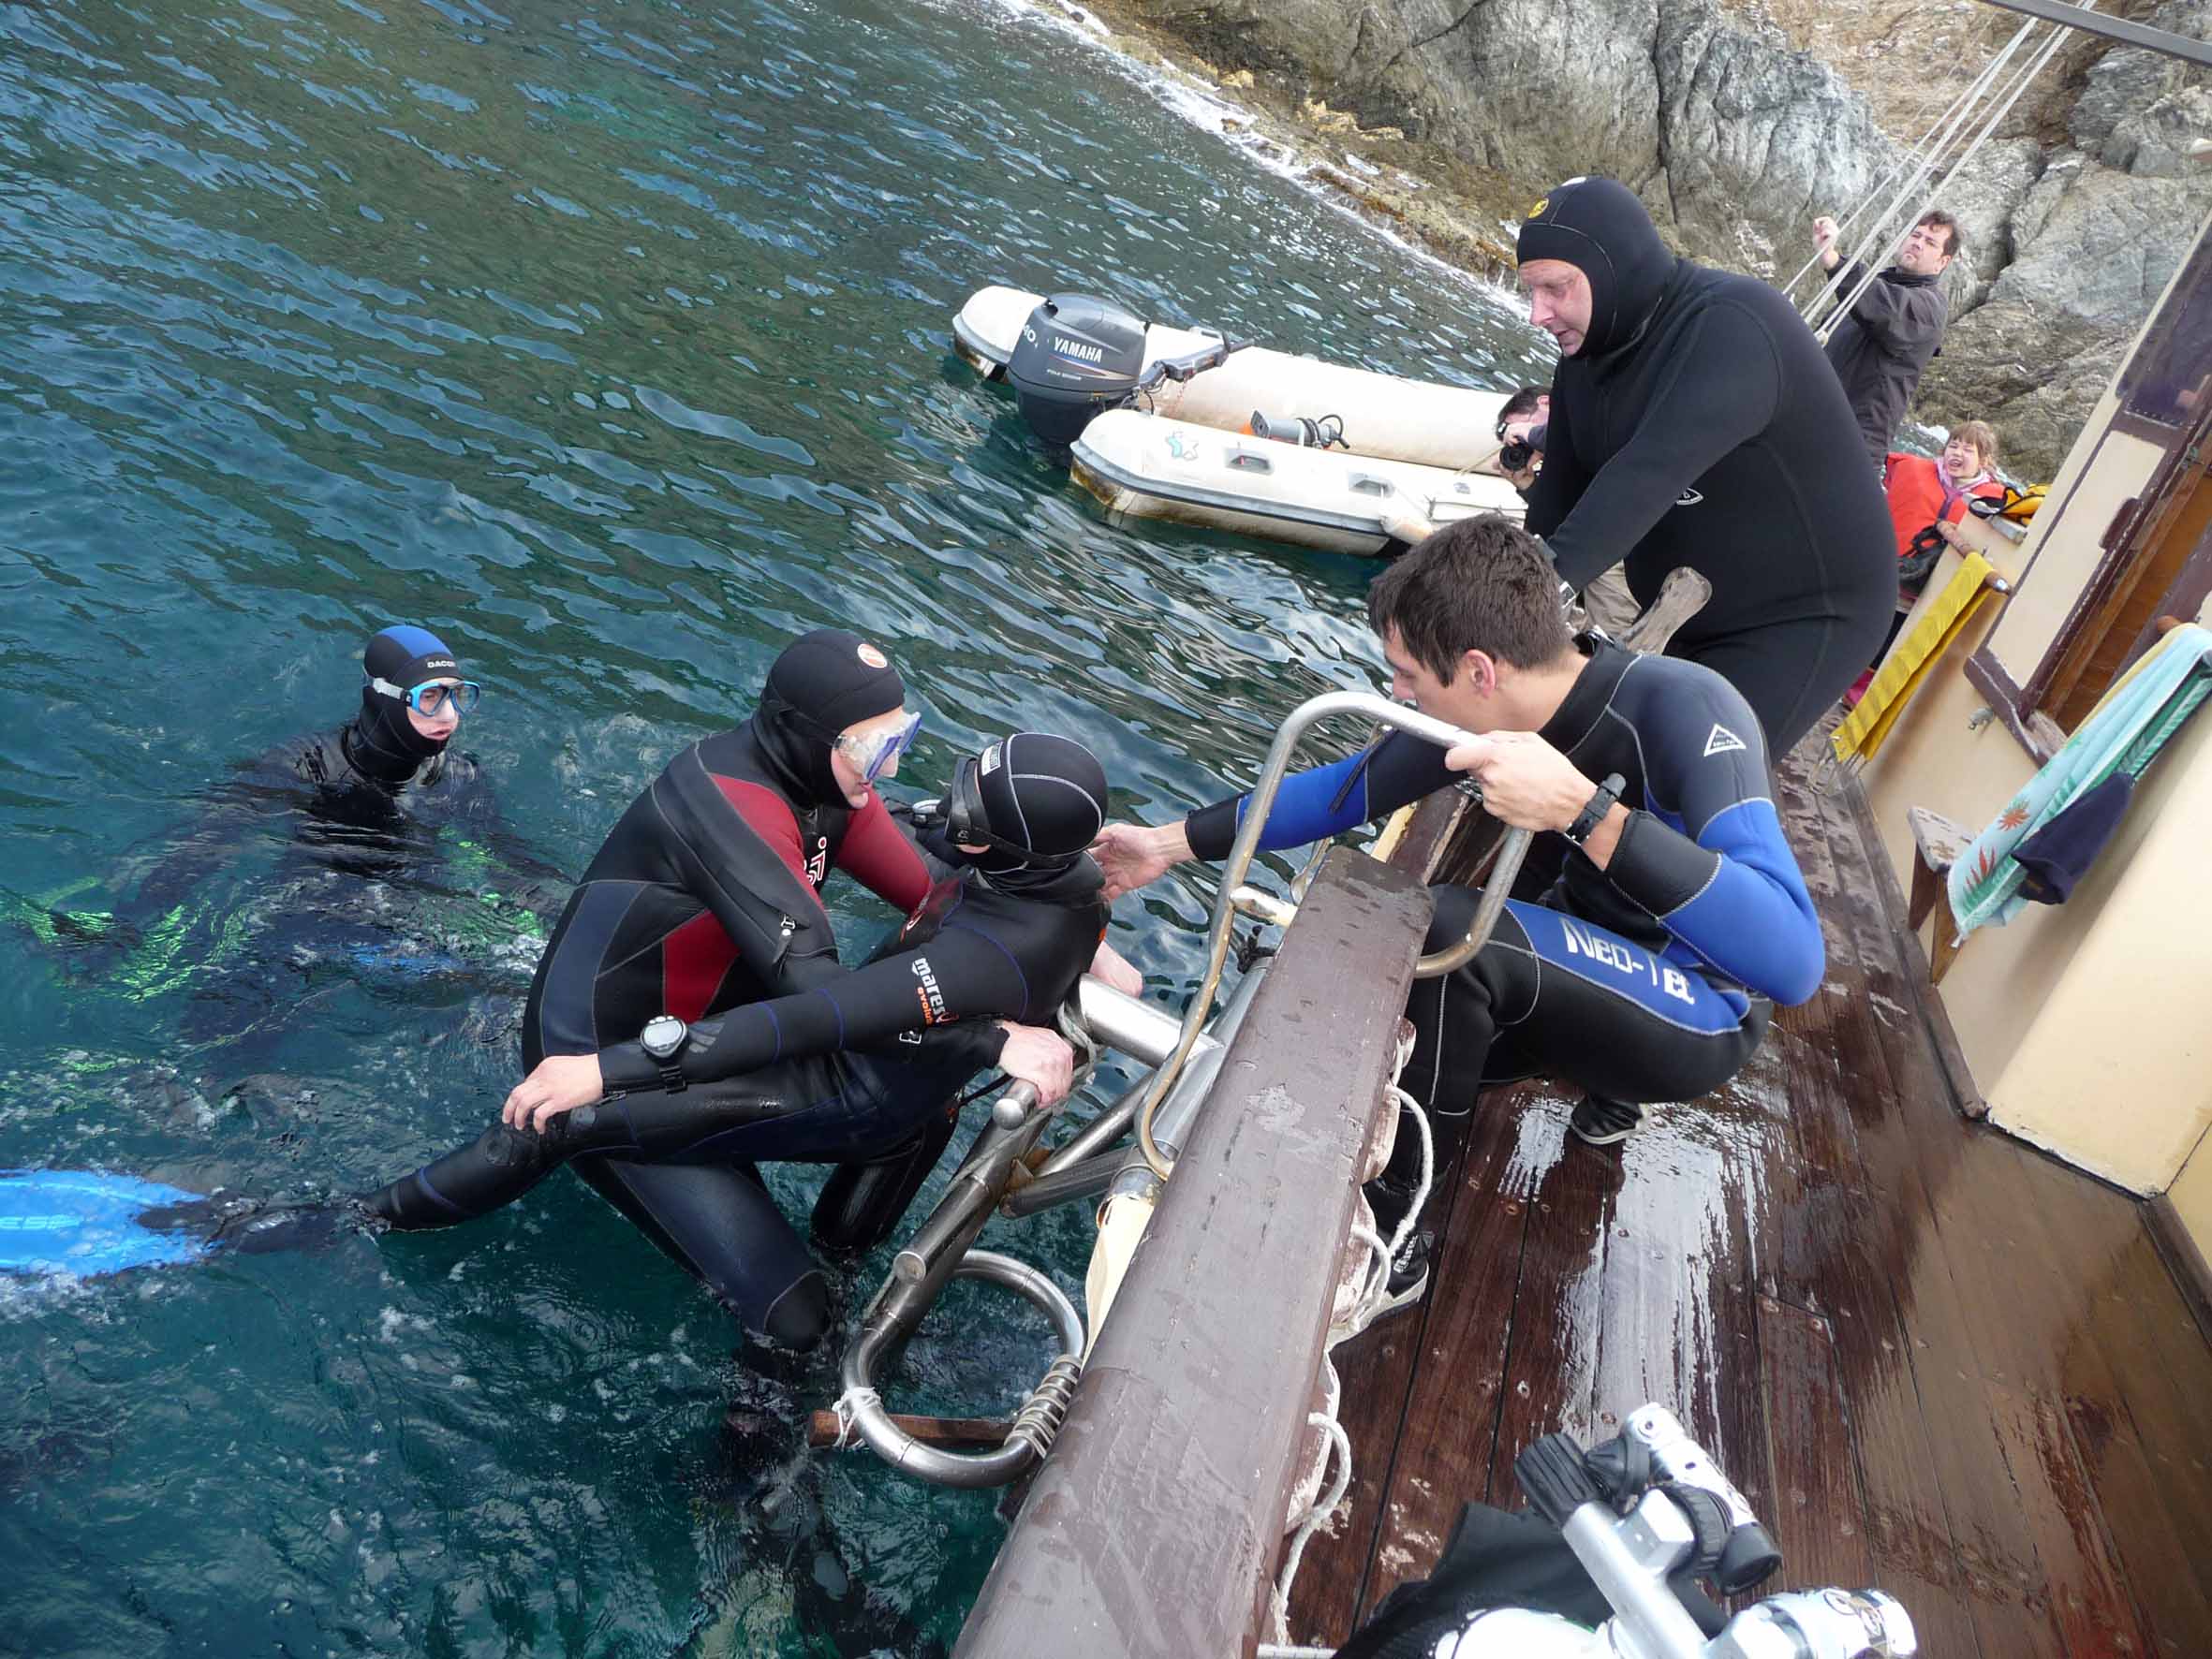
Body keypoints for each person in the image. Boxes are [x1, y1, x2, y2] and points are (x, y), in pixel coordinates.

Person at [1089, 518, 1823, 1312]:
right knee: (1386, 1009)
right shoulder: (1488, 712)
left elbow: (1792, 965)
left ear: (1478, 670)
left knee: (1448, 931)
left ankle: (1396, 1241)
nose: (1398, 697)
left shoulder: (1689, 709)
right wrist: (1162, 845)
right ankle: (1590, 1073)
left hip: (1702, 1013)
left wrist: (1582, 811)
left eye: (1407, 676)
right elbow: (1344, 792)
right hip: (1579, 960)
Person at [363, 625, 1122, 1348]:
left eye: (901, 740)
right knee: (795, 1318)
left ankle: (845, 1264)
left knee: (913, 1118)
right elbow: (822, 998)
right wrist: (990, 1037)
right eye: (873, 749)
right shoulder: (732, 807)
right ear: (802, 735)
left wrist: (1066, 921)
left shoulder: (829, 786)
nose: (889, 768)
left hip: (712, 1037)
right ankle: (356, 1221)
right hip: (599, 1057)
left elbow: (934, 891)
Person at [1513, 176, 1895, 756]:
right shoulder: (1584, 365)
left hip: (1806, 615)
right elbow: (1552, 512)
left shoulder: (1735, 325)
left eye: (1556, 288)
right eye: (1531, 291)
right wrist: (1499, 586)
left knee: (1679, 775)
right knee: (1602, 754)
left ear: (1614, 268)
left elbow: (1646, 475)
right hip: (1686, 606)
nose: (1537, 314)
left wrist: (1513, 605)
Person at [1814, 210, 1959, 465]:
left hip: (1849, 446)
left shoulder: (1929, 308)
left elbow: (1885, 309)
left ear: (1942, 262)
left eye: (1930, 242)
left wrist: (1833, 259)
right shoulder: (1876, 285)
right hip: (1814, 420)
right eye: (1916, 235)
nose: (1918, 243)